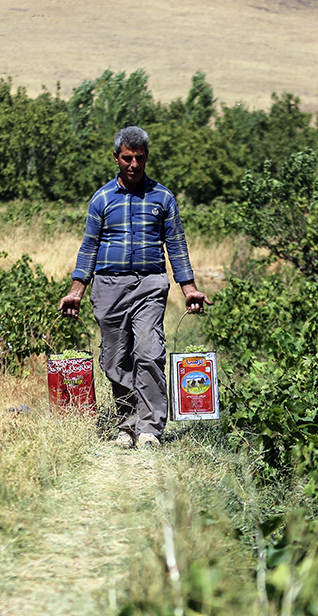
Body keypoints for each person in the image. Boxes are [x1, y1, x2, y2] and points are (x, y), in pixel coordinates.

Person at [58, 126, 212, 448]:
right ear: (116, 157)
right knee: (115, 359)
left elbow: (177, 245)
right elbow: (89, 247)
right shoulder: (101, 199)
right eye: (126, 158)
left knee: (149, 351)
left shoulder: (163, 198)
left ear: (146, 158)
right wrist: (76, 291)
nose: (133, 165)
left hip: (150, 284)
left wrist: (189, 289)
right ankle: (126, 425)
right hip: (108, 286)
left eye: (139, 158)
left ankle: (150, 429)